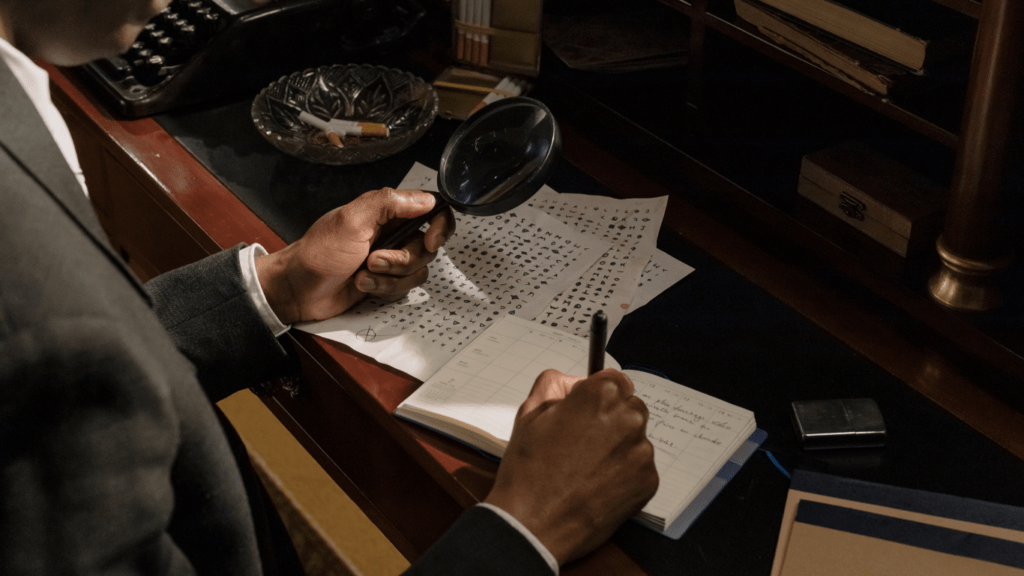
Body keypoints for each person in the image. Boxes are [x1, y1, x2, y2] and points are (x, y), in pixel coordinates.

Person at [0, 1, 659, 575]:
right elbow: (58, 355)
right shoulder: (40, 326)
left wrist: (277, 287)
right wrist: (527, 528)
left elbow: (90, 357)